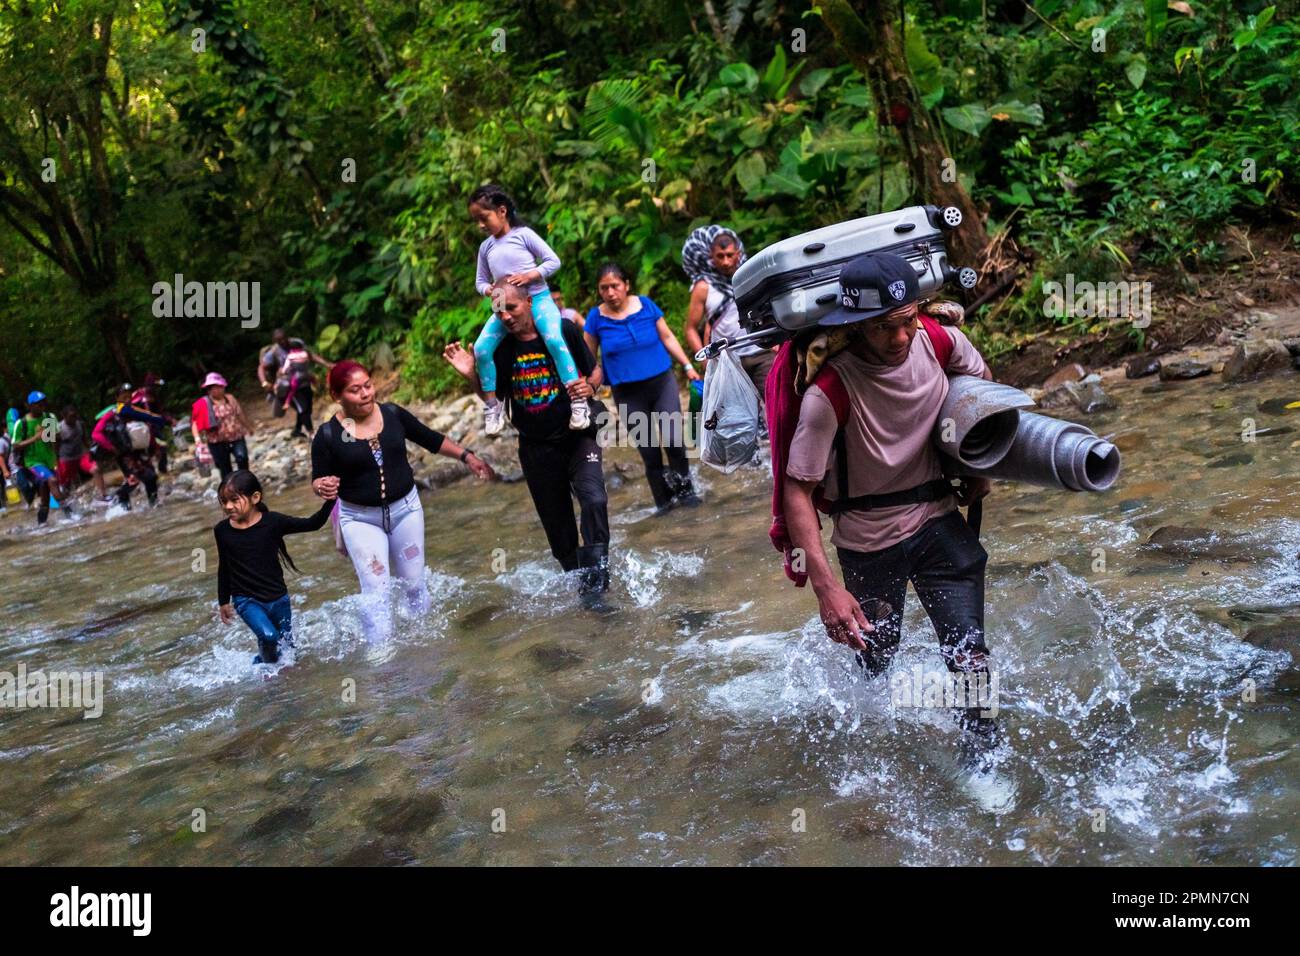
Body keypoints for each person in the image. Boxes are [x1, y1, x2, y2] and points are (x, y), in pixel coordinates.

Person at [778, 252, 996, 739]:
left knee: (971, 655)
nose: (899, 338)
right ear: (854, 327)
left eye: (906, 321)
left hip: (939, 522)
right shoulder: (829, 391)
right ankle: (872, 758)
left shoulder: (939, 342)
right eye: (882, 328)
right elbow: (798, 491)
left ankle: (982, 757)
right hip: (869, 541)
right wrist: (827, 589)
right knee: (877, 664)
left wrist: (975, 464)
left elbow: (983, 394)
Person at [444, 281, 613, 596]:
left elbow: (596, 371)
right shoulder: (501, 349)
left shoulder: (563, 330)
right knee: (559, 531)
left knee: (595, 500)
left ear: (529, 302)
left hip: (579, 435)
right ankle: (582, 587)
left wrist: (589, 387)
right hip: (536, 448)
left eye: (512, 307)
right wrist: (470, 375)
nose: (506, 316)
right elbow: (494, 397)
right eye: (499, 311)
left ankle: (598, 582)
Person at [311, 360, 494, 641]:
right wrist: (322, 485)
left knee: (414, 585)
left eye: (368, 386)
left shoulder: (392, 414)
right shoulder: (328, 435)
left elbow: (430, 439)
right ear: (337, 397)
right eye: (354, 390)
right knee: (376, 590)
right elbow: (319, 479)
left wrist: (467, 456)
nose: (365, 394)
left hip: (406, 511)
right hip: (360, 519)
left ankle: (423, 647)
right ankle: (382, 656)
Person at [468, 183, 590, 437]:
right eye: (476, 220)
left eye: (484, 218)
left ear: (502, 211)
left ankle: (578, 402)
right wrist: (488, 290)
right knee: (481, 348)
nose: (481, 225)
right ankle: (493, 406)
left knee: (555, 338)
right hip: (504, 302)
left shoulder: (523, 234)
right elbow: (479, 281)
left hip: (537, 296)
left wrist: (529, 275)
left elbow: (553, 261)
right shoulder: (486, 247)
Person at [583, 262, 702, 514]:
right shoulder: (596, 318)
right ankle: (664, 503)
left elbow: (667, 336)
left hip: (661, 383)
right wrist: (587, 385)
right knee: (649, 450)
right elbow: (588, 357)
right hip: (627, 393)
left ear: (626, 285)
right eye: (604, 288)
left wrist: (688, 366)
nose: (610, 292)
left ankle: (686, 492)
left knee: (673, 440)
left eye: (615, 286)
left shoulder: (646, 305)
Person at [214, 469, 333, 665]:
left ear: (255, 497)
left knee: (288, 649)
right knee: (269, 636)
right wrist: (223, 601)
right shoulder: (222, 531)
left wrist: (332, 500)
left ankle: (276, 679)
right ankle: (264, 668)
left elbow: (313, 523)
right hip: (246, 600)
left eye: (234, 500)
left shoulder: (273, 522)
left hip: (278, 598)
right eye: (223, 501)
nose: (228, 506)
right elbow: (224, 566)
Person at [682, 225, 776, 396]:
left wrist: (777, 340)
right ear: (711, 256)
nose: (725, 261)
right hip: (727, 361)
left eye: (730, 255)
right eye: (720, 256)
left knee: (774, 405)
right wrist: (705, 359)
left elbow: (771, 307)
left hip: (761, 353)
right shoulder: (703, 287)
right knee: (737, 417)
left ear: (738, 254)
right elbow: (690, 329)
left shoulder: (751, 277)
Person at [92, 385, 168, 510]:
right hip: (124, 454)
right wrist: (111, 447)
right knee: (136, 479)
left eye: (129, 396)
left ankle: (153, 505)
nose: (127, 399)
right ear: (117, 398)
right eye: (124, 396)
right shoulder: (114, 412)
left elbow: (146, 427)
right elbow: (96, 433)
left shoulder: (132, 410)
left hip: (138, 451)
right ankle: (119, 501)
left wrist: (154, 446)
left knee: (151, 477)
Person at [9, 391, 61, 525]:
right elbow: (15, 445)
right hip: (32, 462)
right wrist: (34, 438)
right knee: (52, 480)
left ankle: (41, 524)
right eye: (38, 404)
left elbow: (53, 440)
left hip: (49, 460)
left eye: (43, 402)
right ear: (30, 406)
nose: (42, 406)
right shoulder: (22, 423)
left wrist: (57, 459)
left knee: (45, 493)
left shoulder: (49, 417)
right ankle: (69, 513)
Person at [192, 373, 252, 482]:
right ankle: (230, 489)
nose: (216, 390)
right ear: (209, 390)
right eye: (213, 388)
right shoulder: (203, 404)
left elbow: (239, 413)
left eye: (219, 387)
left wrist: (248, 427)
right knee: (224, 467)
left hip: (236, 436)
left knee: (242, 458)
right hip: (216, 440)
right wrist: (198, 439)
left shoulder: (230, 398)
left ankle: (245, 483)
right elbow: (196, 423)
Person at [56, 406, 106, 499]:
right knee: (65, 483)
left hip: (81, 455)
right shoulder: (59, 428)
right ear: (64, 416)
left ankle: (102, 496)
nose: (74, 419)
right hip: (66, 459)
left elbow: (84, 440)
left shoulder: (80, 424)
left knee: (95, 469)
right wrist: (55, 461)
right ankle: (66, 504)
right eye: (71, 416)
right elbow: (55, 446)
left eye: (75, 416)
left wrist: (91, 451)